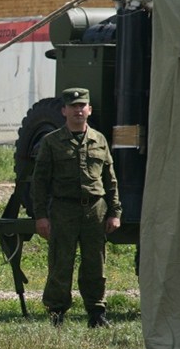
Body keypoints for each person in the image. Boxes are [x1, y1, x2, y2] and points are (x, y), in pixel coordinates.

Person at [32, 87, 122, 328]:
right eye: (73, 106)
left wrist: (114, 212)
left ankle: (96, 312)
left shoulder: (99, 140)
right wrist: (40, 216)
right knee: (61, 263)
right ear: (64, 111)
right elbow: (39, 182)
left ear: (89, 110)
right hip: (64, 210)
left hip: (95, 210)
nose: (78, 110)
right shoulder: (51, 142)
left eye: (82, 106)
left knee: (95, 264)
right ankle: (56, 312)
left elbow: (110, 178)